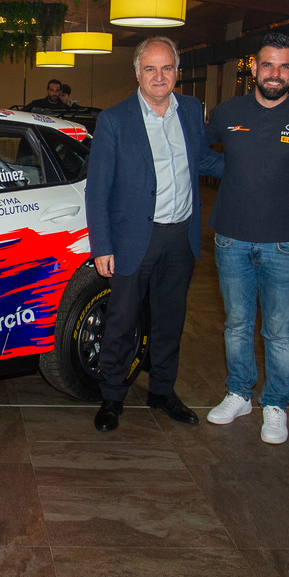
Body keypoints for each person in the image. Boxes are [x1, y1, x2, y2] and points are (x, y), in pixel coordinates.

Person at [86, 37, 224, 431]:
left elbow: (203, 159)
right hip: (133, 239)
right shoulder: (115, 119)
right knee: (121, 321)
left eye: (166, 68)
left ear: (177, 72)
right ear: (137, 73)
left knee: (170, 320)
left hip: (180, 236)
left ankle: (162, 391)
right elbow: (98, 188)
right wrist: (103, 246)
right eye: (150, 69)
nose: (159, 76)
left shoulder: (191, 110)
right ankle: (112, 396)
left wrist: (254, 163)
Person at [205, 32, 289, 444]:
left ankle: (275, 404)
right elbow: (200, 151)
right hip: (231, 239)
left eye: (284, 66)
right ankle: (239, 394)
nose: (275, 73)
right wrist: (235, 178)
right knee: (237, 324)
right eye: (268, 65)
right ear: (254, 68)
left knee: (278, 331)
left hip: (284, 243)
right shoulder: (227, 112)